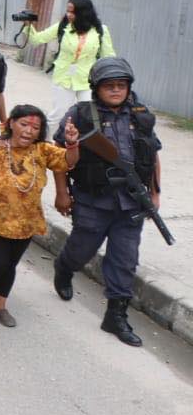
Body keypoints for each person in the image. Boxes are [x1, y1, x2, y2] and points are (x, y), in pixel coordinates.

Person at [51, 58, 163, 347]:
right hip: (93, 200)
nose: (115, 90)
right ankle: (64, 268)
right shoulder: (80, 114)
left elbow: (152, 155)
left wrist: (154, 193)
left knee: (125, 259)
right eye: (109, 85)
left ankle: (116, 315)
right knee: (81, 251)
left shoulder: (140, 115)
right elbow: (59, 155)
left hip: (131, 203)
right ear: (96, 88)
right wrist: (61, 192)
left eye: (121, 85)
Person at [0, 105, 78, 328]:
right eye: (24, 124)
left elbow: (68, 161)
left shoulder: (41, 150)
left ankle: (0, 306)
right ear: (11, 123)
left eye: (35, 128)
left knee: (10, 264)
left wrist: (72, 143)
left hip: (25, 220)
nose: (29, 131)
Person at [22, 0, 115, 128]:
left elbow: (109, 56)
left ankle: (82, 141)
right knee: (59, 116)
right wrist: (28, 26)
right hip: (63, 78)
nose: (68, 14)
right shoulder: (63, 26)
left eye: (72, 12)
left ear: (83, 13)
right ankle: (50, 140)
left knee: (89, 116)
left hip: (88, 80)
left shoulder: (101, 30)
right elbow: (37, 40)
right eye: (67, 11)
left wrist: (110, 79)